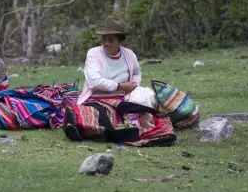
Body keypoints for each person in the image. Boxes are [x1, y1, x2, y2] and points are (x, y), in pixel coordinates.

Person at [62, 16, 176, 146]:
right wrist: (120, 86)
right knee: (95, 114)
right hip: (97, 99)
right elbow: (95, 81)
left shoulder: (129, 55)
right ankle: (76, 126)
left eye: (111, 40)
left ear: (120, 41)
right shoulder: (93, 54)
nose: (106, 43)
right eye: (104, 39)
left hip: (123, 99)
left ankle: (118, 131)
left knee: (141, 111)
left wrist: (134, 85)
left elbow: (137, 73)